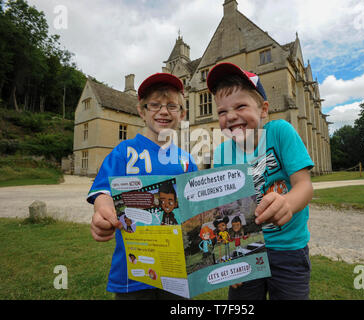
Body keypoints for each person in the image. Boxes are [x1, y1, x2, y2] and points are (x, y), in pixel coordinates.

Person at [207, 62, 314, 300]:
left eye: (241, 106)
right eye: (222, 112)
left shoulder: (280, 132)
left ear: (263, 109)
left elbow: (304, 186)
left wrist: (288, 203)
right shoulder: (221, 154)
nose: (231, 116)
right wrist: (230, 256)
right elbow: (224, 210)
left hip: (287, 249)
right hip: (244, 251)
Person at [87, 72, 197, 300]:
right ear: (142, 111)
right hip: (132, 272)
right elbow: (103, 192)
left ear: (182, 114)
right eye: (155, 105)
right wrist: (103, 212)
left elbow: (196, 208)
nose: (163, 111)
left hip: (177, 270)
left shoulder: (187, 160)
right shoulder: (123, 152)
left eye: (172, 106)